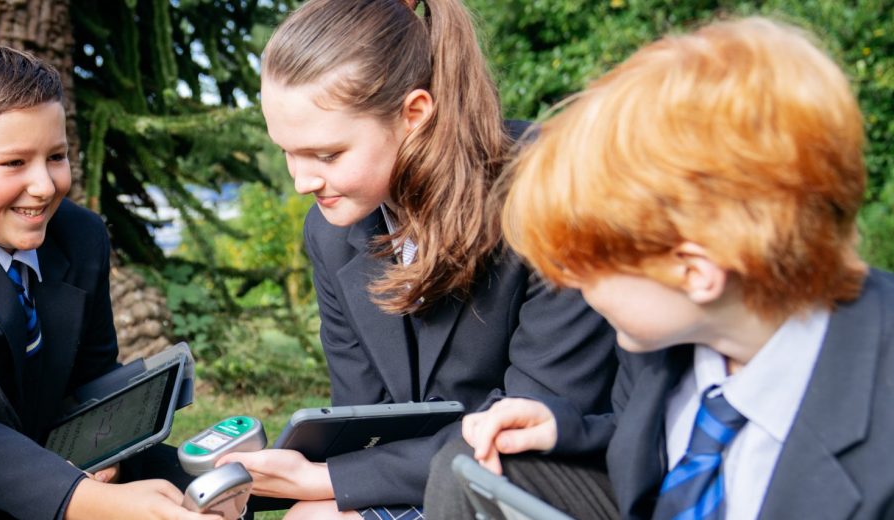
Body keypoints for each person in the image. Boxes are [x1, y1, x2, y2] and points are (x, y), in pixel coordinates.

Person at [441, 17, 894, 520]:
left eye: (586, 265)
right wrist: (567, 429)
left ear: (696, 273)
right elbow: (659, 439)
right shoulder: (669, 341)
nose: (566, 282)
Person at [213, 0, 619, 517]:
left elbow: (536, 416)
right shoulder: (331, 231)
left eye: (328, 154)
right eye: (287, 151)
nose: (302, 182)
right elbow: (366, 418)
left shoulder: (551, 191)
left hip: (554, 479)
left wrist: (328, 480)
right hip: (436, 472)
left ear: (414, 115)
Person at [0, 46, 218, 520]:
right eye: (14, 164)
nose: (45, 186)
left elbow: (92, 380)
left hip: (62, 459)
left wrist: (108, 454)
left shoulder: (80, 236)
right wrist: (84, 500)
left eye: (57, 157)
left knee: (209, 491)